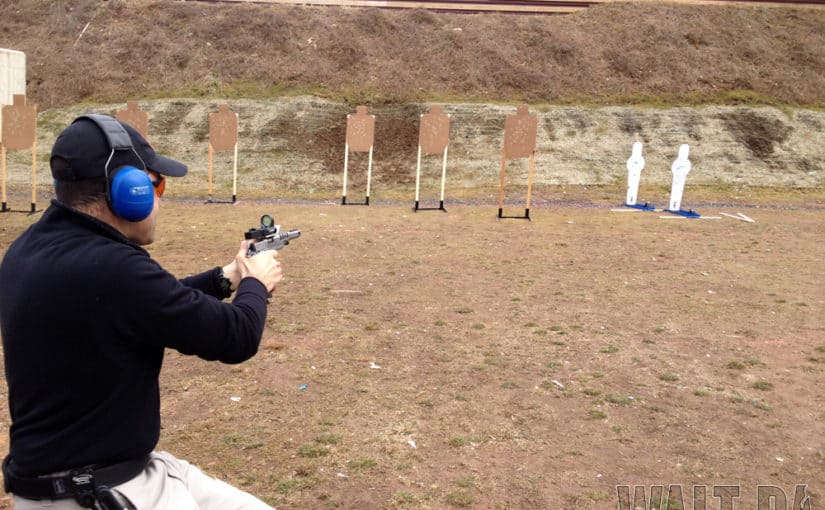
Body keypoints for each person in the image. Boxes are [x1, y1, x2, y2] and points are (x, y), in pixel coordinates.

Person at [0, 114, 282, 509]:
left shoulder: (33, 249)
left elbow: (151, 306)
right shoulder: (114, 267)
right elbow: (236, 337)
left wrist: (229, 276)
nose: (159, 198)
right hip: (95, 492)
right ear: (127, 191)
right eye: (156, 185)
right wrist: (257, 282)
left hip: (114, 471)